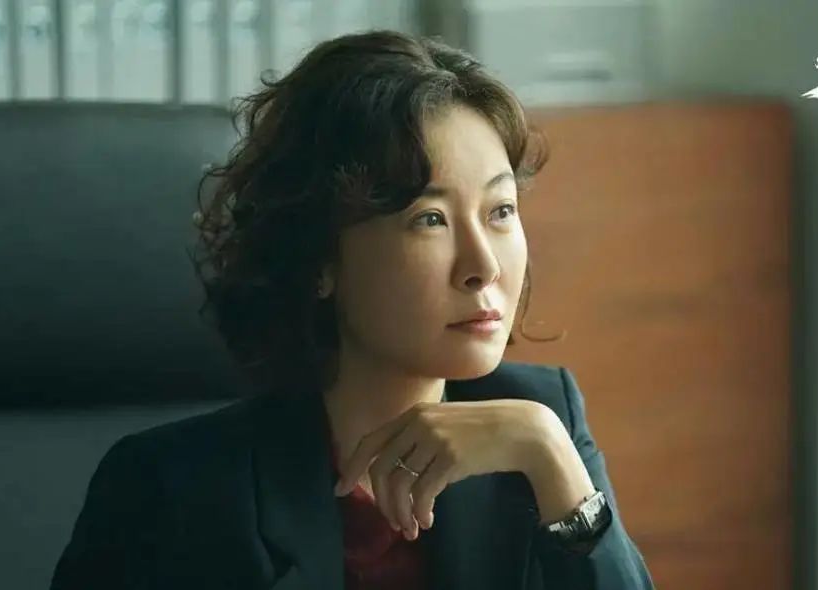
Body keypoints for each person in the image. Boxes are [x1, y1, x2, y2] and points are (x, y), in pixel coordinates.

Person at [50, 30, 655, 590]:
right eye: (430, 219)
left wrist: (553, 462)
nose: (484, 266)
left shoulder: (540, 423)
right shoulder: (170, 491)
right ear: (318, 258)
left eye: (500, 211)